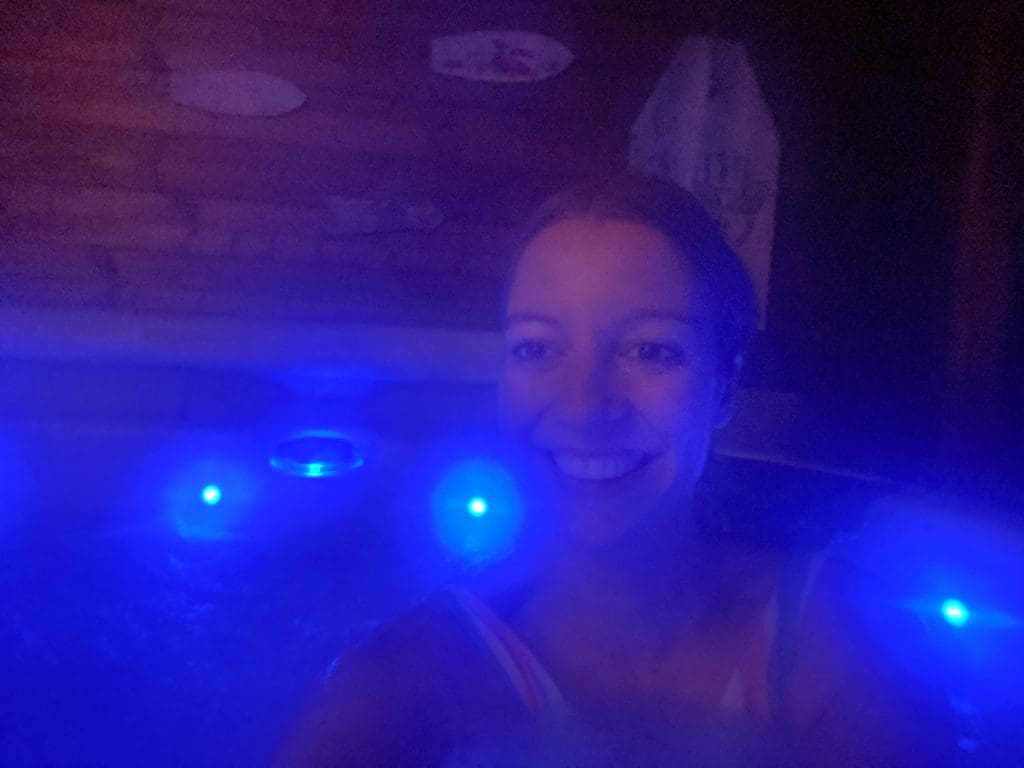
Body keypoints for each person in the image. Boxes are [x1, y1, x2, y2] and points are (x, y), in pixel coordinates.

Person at [274, 175, 955, 767]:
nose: (584, 404)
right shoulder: (408, 678)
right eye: (538, 348)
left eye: (651, 350)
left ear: (724, 388)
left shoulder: (842, 636)